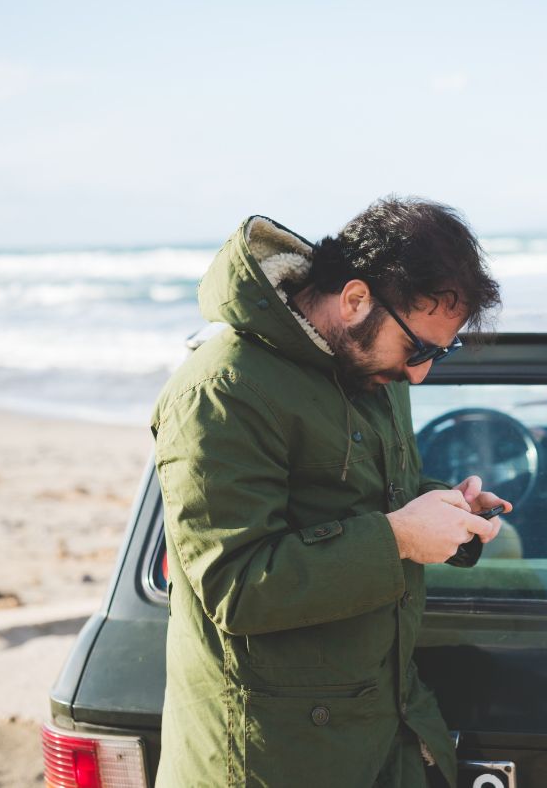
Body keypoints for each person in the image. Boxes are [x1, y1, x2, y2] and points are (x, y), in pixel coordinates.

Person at [151, 196, 507, 787]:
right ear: (355, 299)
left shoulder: (370, 362)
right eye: (418, 350)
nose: (421, 373)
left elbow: (365, 498)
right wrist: (398, 537)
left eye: (442, 354)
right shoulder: (221, 391)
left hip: (383, 734)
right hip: (270, 759)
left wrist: (448, 510)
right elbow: (236, 586)